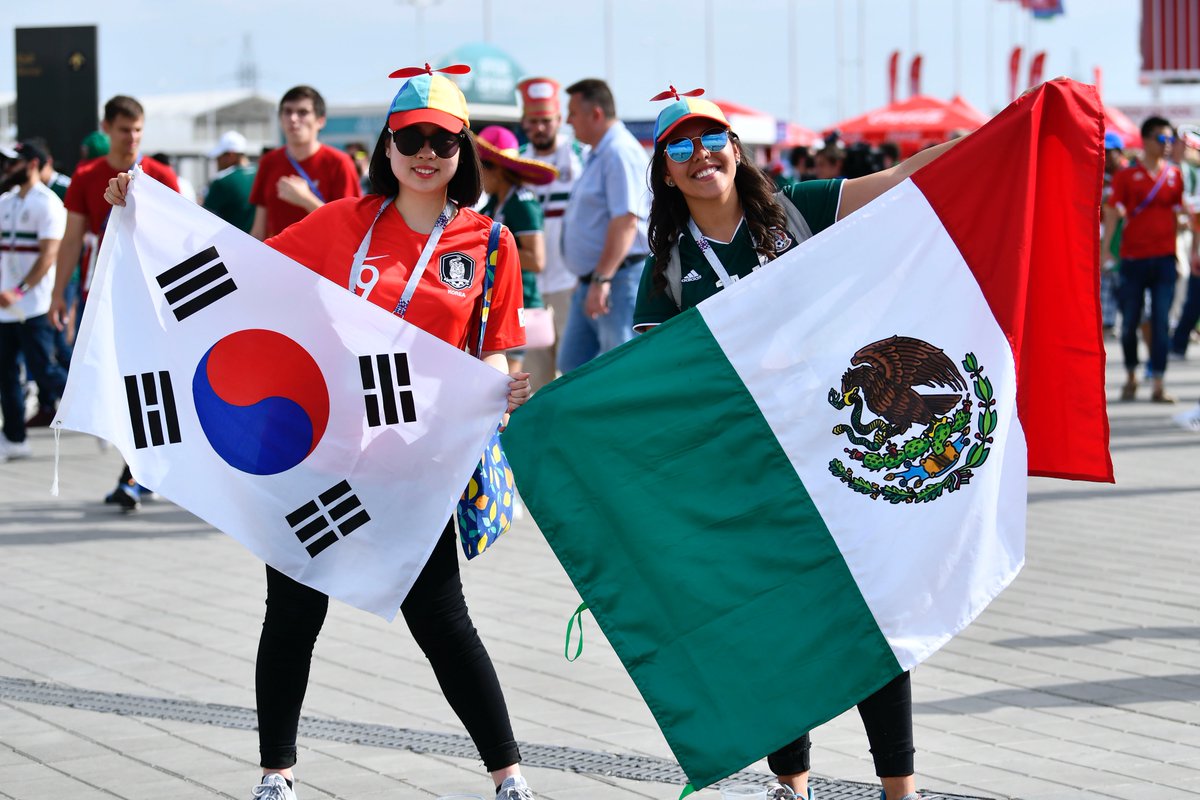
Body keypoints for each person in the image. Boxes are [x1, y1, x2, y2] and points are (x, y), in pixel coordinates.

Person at [107, 63, 535, 800]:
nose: (425, 153)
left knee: (441, 620)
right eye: (410, 138)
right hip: (321, 454)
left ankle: (509, 775)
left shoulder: (490, 243)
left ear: (463, 149)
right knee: (294, 610)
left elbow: (494, 346)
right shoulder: (343, 222)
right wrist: (145, 209)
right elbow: (240, 267)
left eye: (442, 140)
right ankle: (276, 774)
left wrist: (500, 385)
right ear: (387, 146)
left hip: (415, 464)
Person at [632, 87, 968, 800]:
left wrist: (995, 132)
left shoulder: (796, 210)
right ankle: (792, 784)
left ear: (735, 148)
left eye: (711, 138)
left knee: (871, 616)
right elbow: (648, 385)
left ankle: (899, 789)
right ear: (665, 171)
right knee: (774, 625)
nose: (700, 155)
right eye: (680, 146)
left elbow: (901, 179)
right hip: (745, 467)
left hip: (836, 452)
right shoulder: (665, 266)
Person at [49, 95, 182, 510]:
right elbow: (72, 239)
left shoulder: (160, 174)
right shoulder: (87, 176)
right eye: (125, 130)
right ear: (107, 129)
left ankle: (135, 476)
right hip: (104, 295)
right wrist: (58, 294)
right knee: (121, 387)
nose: (132, 137)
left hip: (152, 297)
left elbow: (180, 234)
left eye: (138, 129)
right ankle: (139, 471)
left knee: (149, 383)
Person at [559, 78, 650, 373]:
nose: (568, 120)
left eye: (573, 113)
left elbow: (626, 222)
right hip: (601, 279)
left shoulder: (619, 152)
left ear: (596, 114)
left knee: (620, 371)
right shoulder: (603, 152)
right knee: (573, 368)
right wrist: (591, 277)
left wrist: (600, 278)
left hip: (617, 279)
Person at [1102, 115, 1185, 403]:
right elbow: (1112, 213)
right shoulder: (1127, 176)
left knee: (1160, 322)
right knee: (1129, 323)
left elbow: (1178, 214)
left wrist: (1185, 249)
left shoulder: (1175, 175)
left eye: (1170, 139)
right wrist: (1106, 251)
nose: (1167, 144)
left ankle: (1158, 382)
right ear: (1147, 140)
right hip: (1133, 260)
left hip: (1164, 260)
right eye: (1162, 139)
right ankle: (1131, 376)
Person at [516, 76, 586, 390]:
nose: (540, 128)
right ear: (524, 122)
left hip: (571, 284)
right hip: (529, 288)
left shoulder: (581, 156)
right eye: (533, 122)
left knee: (575, 375)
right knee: (535, 379)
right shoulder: (515, 160)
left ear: (559, 119)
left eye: (546, 121)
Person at [0, 141, 67, 460]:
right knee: (6, 374)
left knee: (45, 373)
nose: (7, 168)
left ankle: (98, 408)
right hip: (4, 307)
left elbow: (49, 255)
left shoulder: (49, 203)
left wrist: (19, 291)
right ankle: (15, 438)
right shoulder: (6, 201)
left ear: (32, 165)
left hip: (34, 305)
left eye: (13, 163)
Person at [476, 124, 559, 374]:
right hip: (497, 303)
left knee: (507, 382)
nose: (478, 174)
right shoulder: (494, 202)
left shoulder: (523, 203)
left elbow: (537, 260)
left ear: (496, 169)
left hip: (518, 305)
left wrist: (493, 248)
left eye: (481, 167)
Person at [249, 85, 361, 240]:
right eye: (287, 112)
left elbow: (350, 227)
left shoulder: (340, 163)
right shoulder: (269, 162)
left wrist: (306, 200)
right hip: (276, 254)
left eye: (303, 112)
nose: (293, 119)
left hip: (322, 254)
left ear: (320, 121)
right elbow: (258, 231)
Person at [1100, 132, 1128, 338]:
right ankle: (1107, 323)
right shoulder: (1099, 174)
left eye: (1111, 152)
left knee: (1123, 278)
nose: (1107, 156)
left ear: (1120, 152)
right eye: (1104, 152)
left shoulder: (1128, 175)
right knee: (1106, 279)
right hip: (1103, 235)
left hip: (1125, 236)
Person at [203, 131, 257, 233]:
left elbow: (205, 218)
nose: (217, 161)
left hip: (233, 241)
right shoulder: (261, 172)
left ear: (231, 155)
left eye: (219, 157)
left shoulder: (222, 181)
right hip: (264, 241)